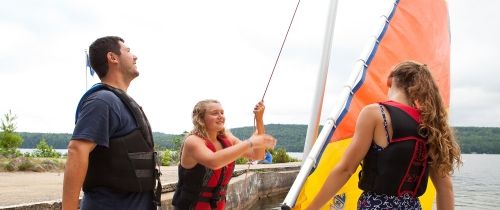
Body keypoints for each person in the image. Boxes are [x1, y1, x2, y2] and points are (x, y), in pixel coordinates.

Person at [305, 60, 462, 210]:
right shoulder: (431, 126)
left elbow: (346, 169)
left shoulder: (375, 114)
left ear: (390, 79)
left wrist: (311, 208)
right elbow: (445, 189)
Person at [62, 36, 161, 210]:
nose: (135, 56)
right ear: (112, 58)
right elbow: (77, 150)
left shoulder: (120, 102)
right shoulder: (102, 101)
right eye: (128, 51)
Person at [172, 99, 277, 210]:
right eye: (214, 113)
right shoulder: (192, 141)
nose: (220, 116)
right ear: (201, 118)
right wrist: (250, 142)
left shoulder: (228, 139)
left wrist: (259, 120)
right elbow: (213, 162)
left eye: (222, 112)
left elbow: (257, 155)